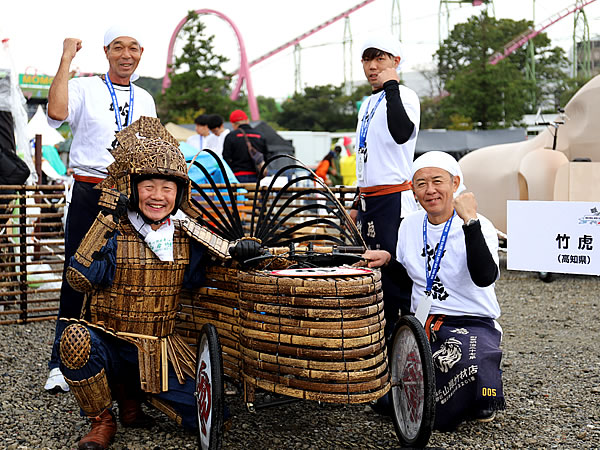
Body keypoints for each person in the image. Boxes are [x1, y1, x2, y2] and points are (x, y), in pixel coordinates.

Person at [57, 117, 253, 449]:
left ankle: (135, 399)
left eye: (167, 187)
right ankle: (102, 420)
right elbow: (78, 278)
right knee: (75, 338)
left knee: (214, 417)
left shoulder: (186, 235)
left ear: (180, 193)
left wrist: (245, 251)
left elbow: (217, 263)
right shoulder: (112, 233)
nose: (157, 196)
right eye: (148, 186)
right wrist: (105, 218)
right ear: (132, 188)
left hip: (160, 348)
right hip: (110, 339)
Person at [45, 25, 157, 393]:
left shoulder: (145, 98)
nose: (126, 55)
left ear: (141, 54)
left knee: (127, 272)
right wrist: (66, 59)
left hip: (130, 195)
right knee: (78, 271)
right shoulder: (84, 87)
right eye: (119, 48)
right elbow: (57, 111)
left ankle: (117, 361)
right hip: (91, 191)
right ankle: (61, 363)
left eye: (134, 49)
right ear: (106, 51)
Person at [363, 151, 505, 431]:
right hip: (424, 322)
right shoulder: (410, 226)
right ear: (413, 192)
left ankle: (473, 398)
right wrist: (389, 260)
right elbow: (410, 280)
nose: (430, 190)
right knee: (404, 375)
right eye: (421, 184)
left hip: (471, 322)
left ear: (455, 183)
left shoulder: (479, 225)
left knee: (462, 366)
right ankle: (435, 402)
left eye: (437, 181)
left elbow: (484, 277)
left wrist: (471, 223)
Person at [350, 33, 421, 340]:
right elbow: (366, 155)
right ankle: (382, 338)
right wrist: (356, 200)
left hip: (395, 197)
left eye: (380, 59)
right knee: (373, 272)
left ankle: (406, 340)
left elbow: (402, 134)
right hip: (369, 199)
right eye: (368, 59)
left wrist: (392, 85)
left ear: (396, 62)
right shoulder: (367, 103)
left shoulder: (404, 96)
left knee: (396, 274)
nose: (372, 66)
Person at [222, 109, 268, 183]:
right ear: (247, 120)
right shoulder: (260, 136)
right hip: (256, 176)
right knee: (254, 194)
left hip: (237, 176)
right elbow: (266, 156)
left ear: (233, 124)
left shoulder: (231, 136)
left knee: (240, 194)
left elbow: (226, 158)